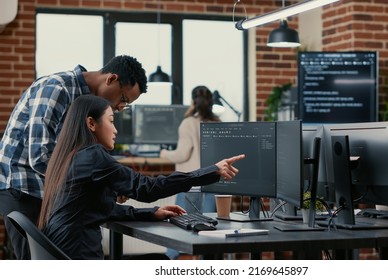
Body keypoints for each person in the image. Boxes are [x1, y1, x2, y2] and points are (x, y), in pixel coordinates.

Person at [37, 95, 245, 260]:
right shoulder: (92, 156)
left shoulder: (67, 156)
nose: (116, 129)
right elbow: (146, 188)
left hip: (63, 253)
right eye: (111, 121)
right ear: (91, 123)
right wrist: (211, 171)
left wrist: (152, 213)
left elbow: (99, 209)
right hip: (79, 257)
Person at [0, 55, 148, 259]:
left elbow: (82, 160)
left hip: (50, 192)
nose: (120, 107)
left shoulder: (91, 108)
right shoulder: (57, 88)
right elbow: (40, 156)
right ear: (111, 79)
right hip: (23, 188)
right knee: (38, 264)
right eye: (123, 99)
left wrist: (107, 184)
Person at [159, 85, 220, 259]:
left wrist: (163, 153)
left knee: (177, 226)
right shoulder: (218, 123)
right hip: (212, 182)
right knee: (210, 230)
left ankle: (169, 262)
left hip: (190, 183)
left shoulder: (188, 123)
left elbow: (183, 154)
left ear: (193, 101)